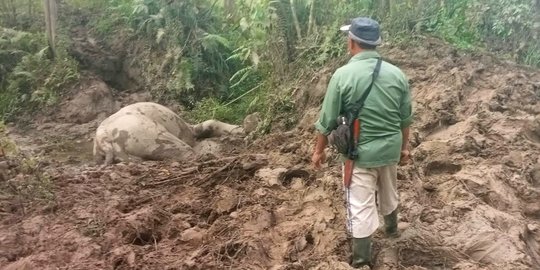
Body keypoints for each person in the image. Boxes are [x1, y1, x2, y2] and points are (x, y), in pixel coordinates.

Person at [311, 17, 413, 268]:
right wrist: (404, 148)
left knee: (359, 205)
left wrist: (318, 152)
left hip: (359, 153)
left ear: (352, 42)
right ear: (376, 44)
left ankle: (361, 261)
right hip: (390, 149)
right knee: (389, 189)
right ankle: (391, 231)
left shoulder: (342, 75)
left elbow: (326, 120)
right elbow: (405, 118)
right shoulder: (397, 74)